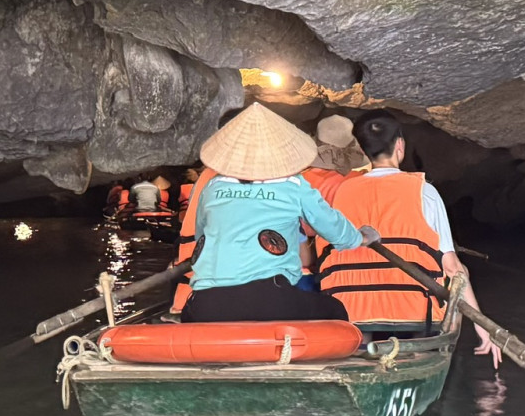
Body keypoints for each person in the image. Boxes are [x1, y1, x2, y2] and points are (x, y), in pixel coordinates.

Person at [181, 103, 366, 323]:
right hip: (269, 299)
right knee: (335, 310)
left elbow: (204, 233)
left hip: (205, 304)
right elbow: (336, 230)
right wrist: (361, 237)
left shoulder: (213, 186)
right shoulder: (293, 183)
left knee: (191, 311)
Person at [313, 113, 482, 331]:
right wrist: (483, 328)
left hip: (348, 312)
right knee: (461, 274)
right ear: (400, 145)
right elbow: (452, 267)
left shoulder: (341, 193)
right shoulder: (424, 191)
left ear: (363, 152)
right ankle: (426, 345)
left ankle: (359, 344)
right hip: (416, 312)